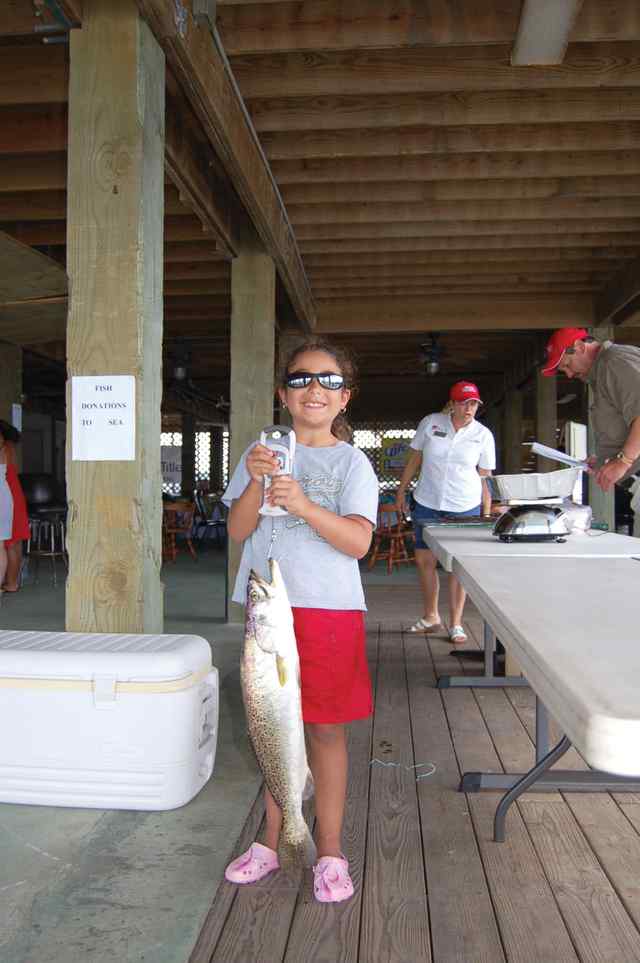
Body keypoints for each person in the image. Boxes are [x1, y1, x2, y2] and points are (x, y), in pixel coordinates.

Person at [222, 338, 378, 903]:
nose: (315, 388)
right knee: (273, 729)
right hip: (268, 613)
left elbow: (359, 541)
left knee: (325, 729)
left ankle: (330, 849)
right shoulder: (259, 452)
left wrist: (304, 505)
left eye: (330, 381)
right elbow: (238, 531)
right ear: (283, 393)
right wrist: (258, 480)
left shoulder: (352, 462)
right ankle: (274, 839)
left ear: (345, 399)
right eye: (303, 378)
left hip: (329, 609)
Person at [395, 381, 495, 644]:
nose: (469, 408)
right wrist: (401, 490)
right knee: (424, 561)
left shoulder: (483, 435)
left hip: (464, 506)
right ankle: (431, 616)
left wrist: (486, 513)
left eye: (473, 403)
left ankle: (457, 623)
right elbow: (415, 459)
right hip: (427, 501)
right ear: (452, 404)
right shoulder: (431, 423)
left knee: (457, 567)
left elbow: (485, 478)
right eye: (464, 403)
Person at [542, 328, 640, 536]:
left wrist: (623, 461)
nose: (568, 374)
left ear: (579, 346)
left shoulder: (614, 362)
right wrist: (608, 457)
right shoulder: (603, 370)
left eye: (567, 365)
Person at [0, 421, 29, 592]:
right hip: (13, 492)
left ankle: (11, 582)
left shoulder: (4, 448)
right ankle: (12, 581)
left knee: (10, 542)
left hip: (8, 492)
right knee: (14, 542)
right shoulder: (10, 448)